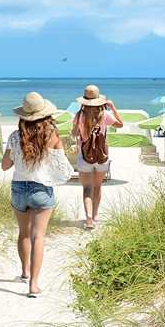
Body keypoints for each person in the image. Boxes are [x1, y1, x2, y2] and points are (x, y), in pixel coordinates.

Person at [1, 92, 73, 298]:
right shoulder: (52, 135)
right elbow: (64, 167)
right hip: (41, 189)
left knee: (23, 233)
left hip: (19, 188)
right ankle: (33, 284)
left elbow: (5, 166)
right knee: (38, 236)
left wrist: (14, 153)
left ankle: (24, 272)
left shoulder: (15, 137)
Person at [71, 85, 124, 229]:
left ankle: (88, 218)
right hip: (102, 156)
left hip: (84, 156)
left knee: (87, 188)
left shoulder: (79, 116)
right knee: (98, 186)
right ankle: (95, 215)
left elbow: (75, 134)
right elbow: (120, 124)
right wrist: (112, 107)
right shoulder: (105, 115)